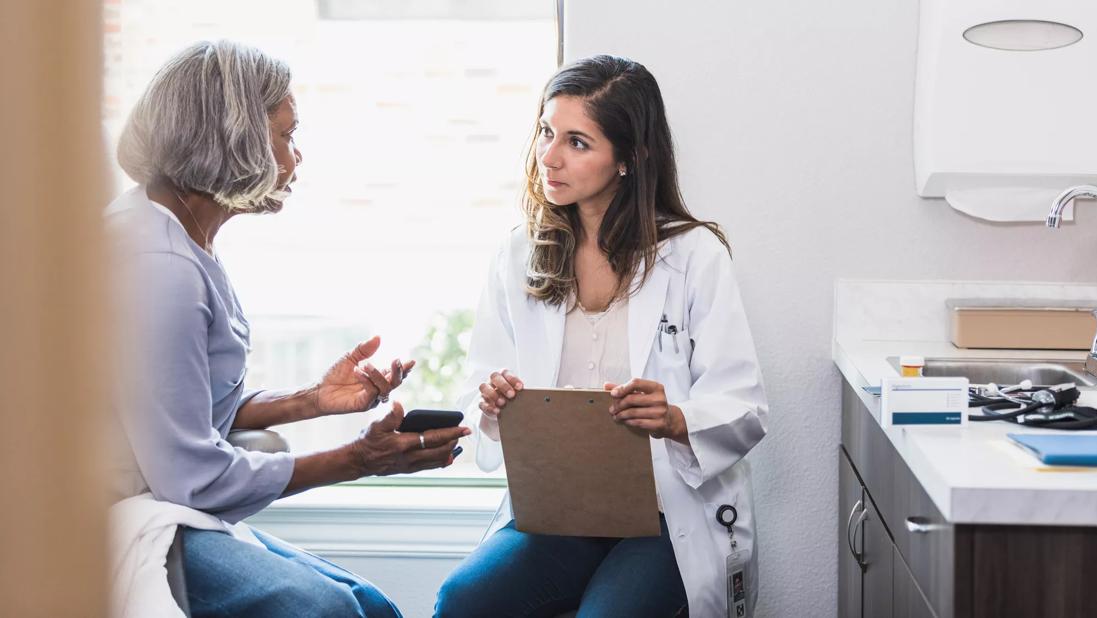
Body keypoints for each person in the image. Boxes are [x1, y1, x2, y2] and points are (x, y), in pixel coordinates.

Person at [108, 40, 469, 618]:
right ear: (233, 137)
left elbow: (173, 410)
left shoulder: (181, 236)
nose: (296, 157)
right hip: (117, 520)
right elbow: (190, 479)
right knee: (329, 610)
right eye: (286, 135)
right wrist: (360, 460)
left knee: (371, 606)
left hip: (160, 500)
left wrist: (311, 401)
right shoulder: (159, 267)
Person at [435, 55, 769, 617]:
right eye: (546, 132)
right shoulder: (518, 253)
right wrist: (492, 405)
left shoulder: (694, 257)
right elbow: (477, 397)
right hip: (556, 512)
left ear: (630, 158)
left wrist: (676, 419)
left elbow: (745, 406)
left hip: (664, 516)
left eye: (577, 142)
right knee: (463, 600)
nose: (549, 156)